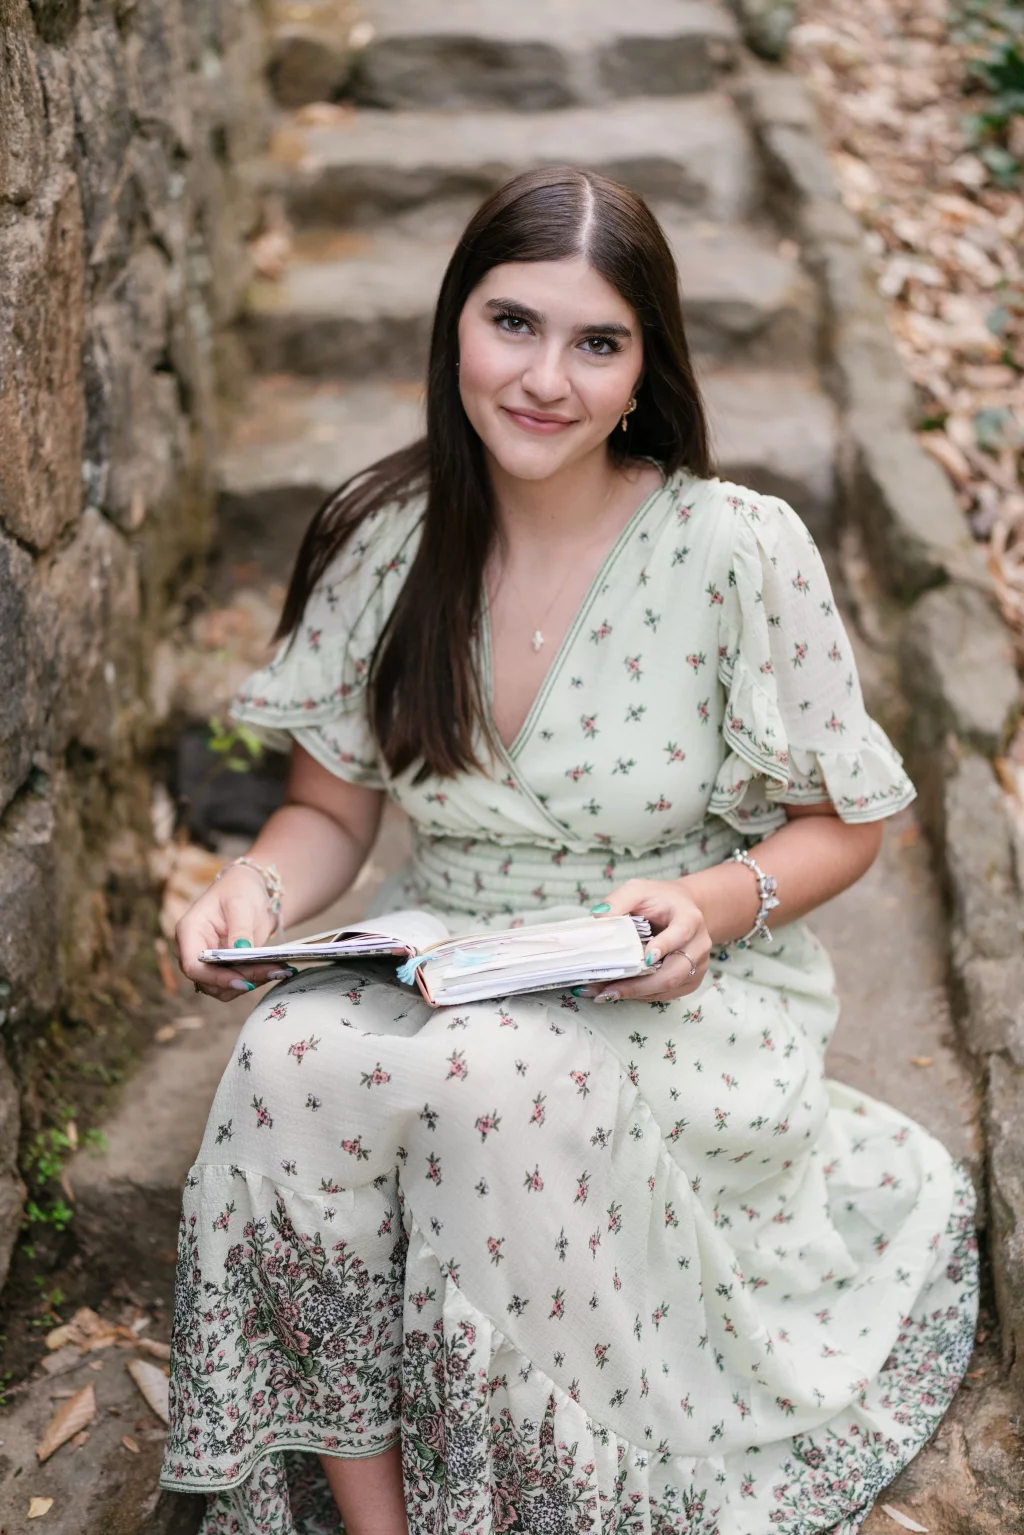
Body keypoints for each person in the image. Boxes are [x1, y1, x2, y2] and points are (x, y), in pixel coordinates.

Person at [160, 167, 978, 1535]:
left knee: (491, 1078)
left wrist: (715, 901)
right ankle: (376, 1518)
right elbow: (330, 816)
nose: (546, 376)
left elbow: (853, 819)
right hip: (443, 944)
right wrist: (243, 892)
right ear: (454, 329)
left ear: (647, 362)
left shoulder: (735, 548)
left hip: (659, 982)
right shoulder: (386, 537)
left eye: (598, 341)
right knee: (284, 1054)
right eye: (513, 323)